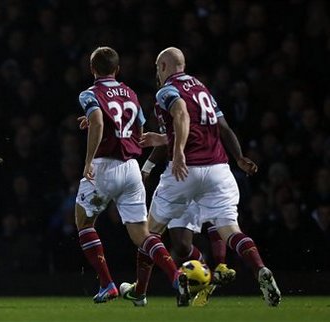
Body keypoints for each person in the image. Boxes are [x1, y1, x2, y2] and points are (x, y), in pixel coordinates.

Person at [120, 47, 281, 307]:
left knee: (148, 234)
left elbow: (181, 113)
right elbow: (222, 127)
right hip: (219, 168)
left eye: (156, 68)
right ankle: (260, 268)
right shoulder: (202, 88)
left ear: (163, 67)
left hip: (185, 171)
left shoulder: (167, 91)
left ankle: (141, 291)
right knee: (231, 231)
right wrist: (239, 157)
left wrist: (180, 152)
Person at [75, 46, 190, 306]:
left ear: (92, 69)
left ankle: (107, 285)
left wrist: (88, 160)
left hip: (104, 167)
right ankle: (175, 275)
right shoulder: (130, 93)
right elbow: (136, 129)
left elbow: (99, 121)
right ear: (117, 70)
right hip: (131, 169)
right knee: (142, 234)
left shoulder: (90, 93)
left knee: (84, 223)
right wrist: (98, 124)